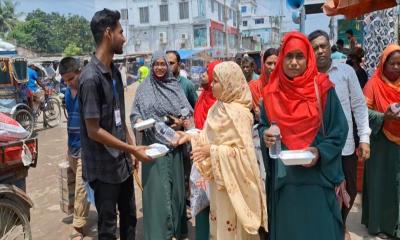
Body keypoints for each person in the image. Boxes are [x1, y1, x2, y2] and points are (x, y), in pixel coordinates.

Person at [261, 32, 348, 240]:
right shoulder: (270, 94)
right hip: (286, 184)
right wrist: (265, 135)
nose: (293, 62)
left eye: (299, 56)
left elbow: (339, 130)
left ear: (308, 58)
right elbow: (264, 127)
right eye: (289, 56)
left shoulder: (324, 89)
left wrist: (319, 151)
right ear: (281, 59)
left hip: (318, 179)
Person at [78, 9, 150, 240]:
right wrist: (132, 149)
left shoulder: (115, 73)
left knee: (129, 218)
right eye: (121, 32)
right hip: (103, 168)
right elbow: (94, 130)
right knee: (108, 228)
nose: (124, 38)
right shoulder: (90, 78)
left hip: (123, 164)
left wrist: (131, 151)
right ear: (108, 33)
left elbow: (119, 116)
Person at [177, 61, 268, 239]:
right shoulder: (216, 109)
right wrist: (191, 137)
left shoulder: (239, 114)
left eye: (216, 81)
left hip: (236, 185)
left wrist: (213, 150)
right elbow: (208, 137)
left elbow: (244, 155)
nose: (211, 84)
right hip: (219, 184)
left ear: (229, 83)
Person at [309, 30, 371, 239]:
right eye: (315, 48)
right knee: (324, 190)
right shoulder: (306, 77)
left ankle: (341, 222)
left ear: (330, 46)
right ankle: (332, 227)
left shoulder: (346, 72)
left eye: (323, 46)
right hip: (318, 146)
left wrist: (364, 139)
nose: (320, 51)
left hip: (345, 145)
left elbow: (359, 107)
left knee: (350, 189)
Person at [130, 51, 191, 240]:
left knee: (175, 193)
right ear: (151, 65)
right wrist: (139, 120)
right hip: (153, 148)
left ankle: (176, 230)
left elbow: (187, 114)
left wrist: (180, 123)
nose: (159, 67)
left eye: (163, 64)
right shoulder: (143, 88)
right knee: (156, 193)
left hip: (174, 146)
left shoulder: (175, 86)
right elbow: (134, 114)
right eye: (156, 64)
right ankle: (159, 234)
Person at [361, 44, 400, 239]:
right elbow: (362, 113)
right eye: (391, 63)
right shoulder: (373, 84)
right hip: (381, 142)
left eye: (399, 64)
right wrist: (384, 116)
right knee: (382, 184)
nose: (396, 67)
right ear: (383, 65)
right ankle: (381, 226)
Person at [59, 57, 90, 240]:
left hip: (86, 147)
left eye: (71, 78)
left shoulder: (88, 90)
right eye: (66, 80)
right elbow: (71, 119)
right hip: (72, 145)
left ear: (80, 72)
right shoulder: (66, 93)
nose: (69, 83)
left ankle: (78, 226)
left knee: (81, 187)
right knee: (82, 184)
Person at [192, 60, 221, 240]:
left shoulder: (221, 102)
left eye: (207, 72)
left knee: (218, 205)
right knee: (202, 202)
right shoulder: (203, 96)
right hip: (199, 157)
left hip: (216, 158)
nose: (203, 75)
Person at [249, 48, 278, 121]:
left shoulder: (285, 86)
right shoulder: (254, 86)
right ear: (263, 64)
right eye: (269, 63)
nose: (273, 67)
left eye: (276, 63)